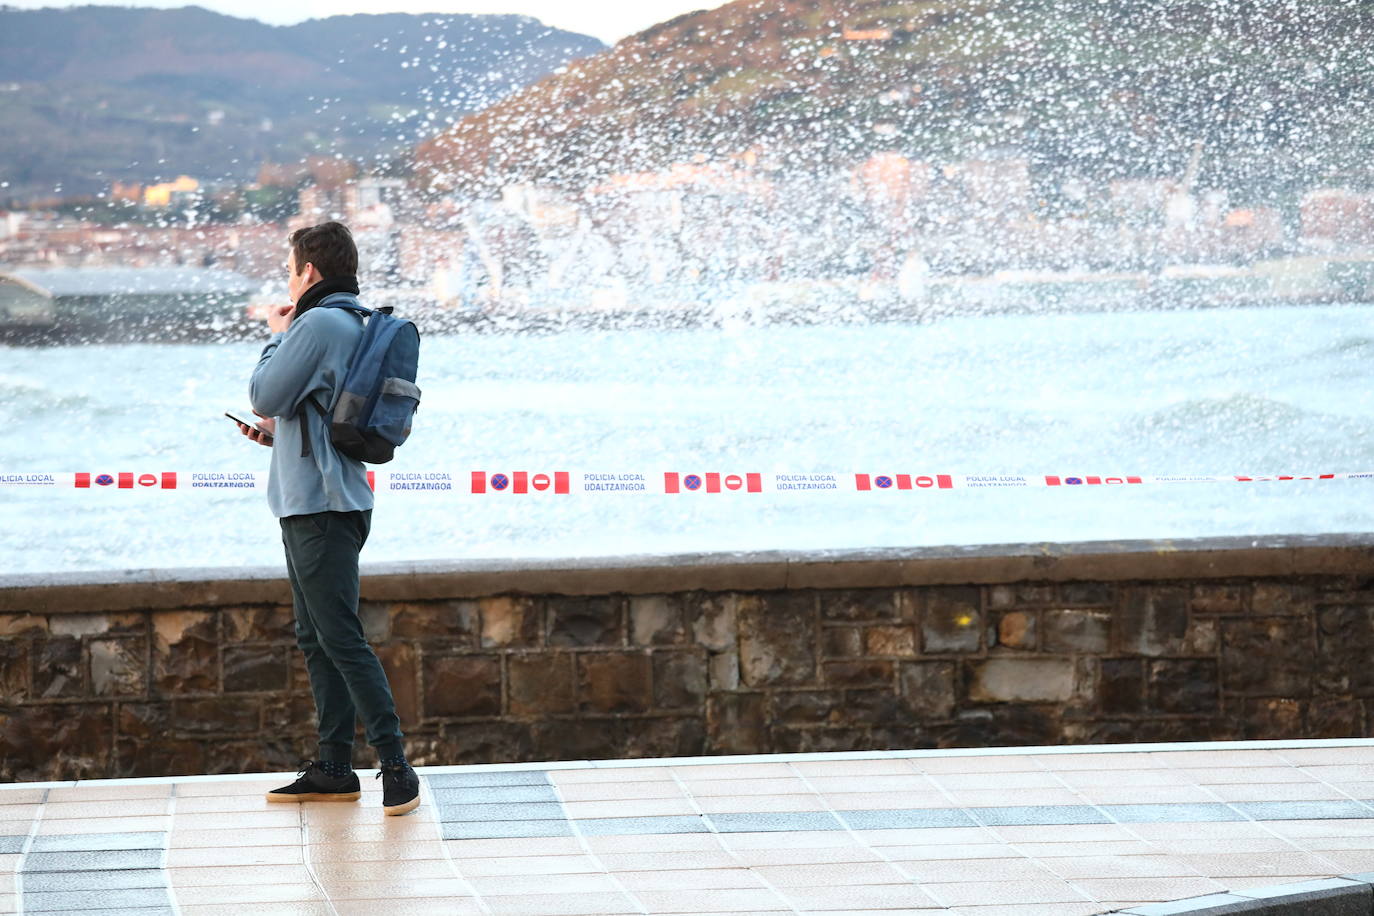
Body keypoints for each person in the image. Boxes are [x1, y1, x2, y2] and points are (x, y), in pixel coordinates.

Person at [234, 221, 419, 816]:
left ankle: (396, 767)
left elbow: (266, 392)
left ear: (308, 271)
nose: (288, 278)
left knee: (339, 637)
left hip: (318, 506)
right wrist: (276, 437)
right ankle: (334, 767)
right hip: (328, 497)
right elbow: (308, 411)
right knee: (317, 636)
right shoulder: (354, 320)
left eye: (291, 268)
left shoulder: (313, 324)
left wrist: (276, 336)